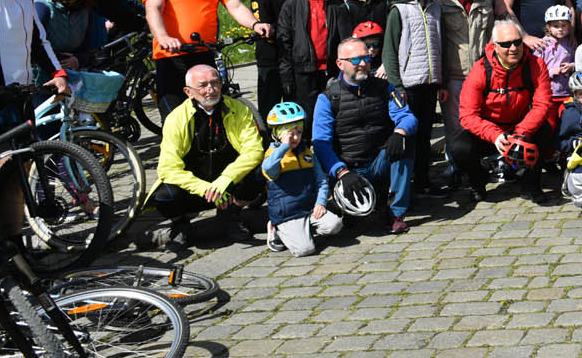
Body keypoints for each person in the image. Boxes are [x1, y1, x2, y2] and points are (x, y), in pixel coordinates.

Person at [145, 64, 266, 248]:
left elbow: (254, 150)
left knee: (261, 171)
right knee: (164, 194)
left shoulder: (238, 110)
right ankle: (180, 224)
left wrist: (227, 179)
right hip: (197, 188)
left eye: (215, 83)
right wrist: (204, 188)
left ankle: (232, 213)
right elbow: (168, 168)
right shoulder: (176, 119)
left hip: (229, 184)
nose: (210, 90)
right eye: (202, 85)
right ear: (188, 92)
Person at [314, 38, 418, 233]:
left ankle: (396, 213)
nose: (362, 64)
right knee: (357, 222)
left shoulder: (384, 88)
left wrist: (399, 132)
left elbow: (408, 117)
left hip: (379, 161)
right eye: (355, 60)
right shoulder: (327, 98)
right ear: (340, 64)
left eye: (366, 58)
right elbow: (321, 144)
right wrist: (341, 172)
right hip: (350, 169)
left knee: (406, 141)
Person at [459, 17, 556, 204]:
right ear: (495, 46)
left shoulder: (536, 65)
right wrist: (495, 136)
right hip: (489, 130)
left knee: (544, 131)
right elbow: (467, 115)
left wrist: (520, 134)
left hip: (520, 125)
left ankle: (531, 185)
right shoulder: (480, 70)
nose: (513, 48)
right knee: (460, 147)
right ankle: (478, 182)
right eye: (506, 44)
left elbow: (542, 104)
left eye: (517, 42)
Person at [382, 0, 446, 194]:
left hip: (430, 82)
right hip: (408, 85)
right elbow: (390, 51)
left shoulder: (435, 8)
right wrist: (396, 86)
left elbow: (440, 45)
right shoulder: (398, 11)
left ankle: (423, 180)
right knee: (408, 135)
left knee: (425, 135)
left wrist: (441, 80)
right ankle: (403, 185)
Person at [439, 0, 495, 198]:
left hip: (480, 75)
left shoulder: (485, 2)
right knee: (454, 129)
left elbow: (491, 39)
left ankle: (477, 171)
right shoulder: (440, 3)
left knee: (479, 126)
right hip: (454, 74)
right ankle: (456, 169)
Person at [261, 101, 345, 256]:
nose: (295, 137)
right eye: (290, 133)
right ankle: (276, 229)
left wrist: (320, 202)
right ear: (278, 133)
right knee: (305, 250)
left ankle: (303, 230)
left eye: (298, 132)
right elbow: (268, 168)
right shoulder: (273, 155)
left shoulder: (307, 153)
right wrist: (284, 146)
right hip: (288, 213)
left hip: (308, 208)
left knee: (335, 225)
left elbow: (321, 181)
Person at [276, 0, 351, 115]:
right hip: (303, 72)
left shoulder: (336, 2)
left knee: (333, 114)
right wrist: (286, 77)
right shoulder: (291, 5)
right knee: (306, 116)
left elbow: (346, 38)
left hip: (331, 70)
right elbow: (284, 44)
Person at [249, 0, 301, 117]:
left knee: (295, 104)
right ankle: (267, 141)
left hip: (297, 54)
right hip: (271, 55)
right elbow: (263, 21)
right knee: (269, 106)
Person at [34, 0, 108, 71]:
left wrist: (77, 59)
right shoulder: (41, 8)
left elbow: (89, 48)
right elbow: (32, 45)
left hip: (73, 69)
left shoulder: (87, 11)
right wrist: (58, 61)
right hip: (41, 69)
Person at [534, 3, 577, 99]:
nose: (560, 29)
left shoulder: (570, 43)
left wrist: (572, 66)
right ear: (548, 27)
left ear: (569, 26)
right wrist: (551, 72)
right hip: (547, 93)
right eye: (556, 26)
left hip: (567, 92)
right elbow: (535, 68)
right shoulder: (542, 44)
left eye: (563, 25)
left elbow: (578, 62)